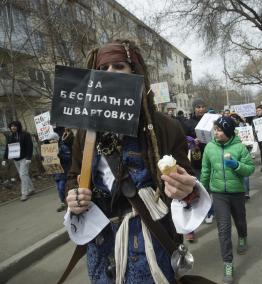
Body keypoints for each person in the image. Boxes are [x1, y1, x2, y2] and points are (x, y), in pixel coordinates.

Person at [65, 39, 209, 284]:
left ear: (136, 72)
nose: (109, 74)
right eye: (103, 70)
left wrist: (185, 189)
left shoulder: (165, 127)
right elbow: (74, 176)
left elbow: (186, 180)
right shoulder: (87, 132)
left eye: (118, 66)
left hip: (151, 240)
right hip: (102, 243)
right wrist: (73, 197)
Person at [200, 116, 255, 284]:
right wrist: (202, 190)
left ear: (229, 132)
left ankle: (243, 236)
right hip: (219, 194)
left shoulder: (239, 147)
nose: (215, 132)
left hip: (237, 192)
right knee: (223, 229)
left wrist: (236, 165)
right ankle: (228, 263)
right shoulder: (209, 147)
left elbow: (250, 170)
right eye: (215, 129)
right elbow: (205, 170)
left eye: (219, 130)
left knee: (240, 220)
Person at [183, 98, 210, 236]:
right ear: (194, 108)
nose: (200, 109)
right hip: (195, 161)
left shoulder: (210, 121)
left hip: (210, 158)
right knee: (198, 189)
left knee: (208, 187)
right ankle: (192, 223)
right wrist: (192, 141)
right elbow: (183, 138)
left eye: (202, 106)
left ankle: (209, 211)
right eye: (197, 107)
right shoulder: (188, 123)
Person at [2, 120, 35, 201]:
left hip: (24, 158)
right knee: (24, 175)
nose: (13, 127)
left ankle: (24, 193)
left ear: (18, 126)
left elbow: (29, 146)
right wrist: (4, 158)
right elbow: (8, 148)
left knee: (22, 175)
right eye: (11, 126)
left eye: (14, 126)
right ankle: (31, 189)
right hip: (16, 159)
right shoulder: (10, 136)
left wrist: (28, 157)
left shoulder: (25, 135)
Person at [53, 127, 74, 212]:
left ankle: (67, 203)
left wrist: (60, 156)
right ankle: (63, 203)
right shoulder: (49, 149)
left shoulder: (63, 147)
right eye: (50, 140)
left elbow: (68, 158)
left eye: (53, 139)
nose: (51, 141)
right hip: (56, 173)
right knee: (59, 189)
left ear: (57, 139)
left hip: (64, 171)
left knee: (62, 187)